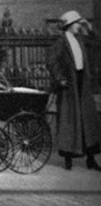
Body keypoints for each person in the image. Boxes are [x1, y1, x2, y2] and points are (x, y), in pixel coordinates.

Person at [47, 10, 101, 171]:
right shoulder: (61, 42)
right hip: (69, 86)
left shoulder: (81, 39)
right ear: (70, 25)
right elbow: (51, 62)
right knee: (69, 122)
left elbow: (97, 43)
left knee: (87, 121)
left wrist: (89, 28)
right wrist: (59, 78)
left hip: (82, 83)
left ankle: (91, 159)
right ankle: (68, 160)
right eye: (77, 23)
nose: (79, 26)